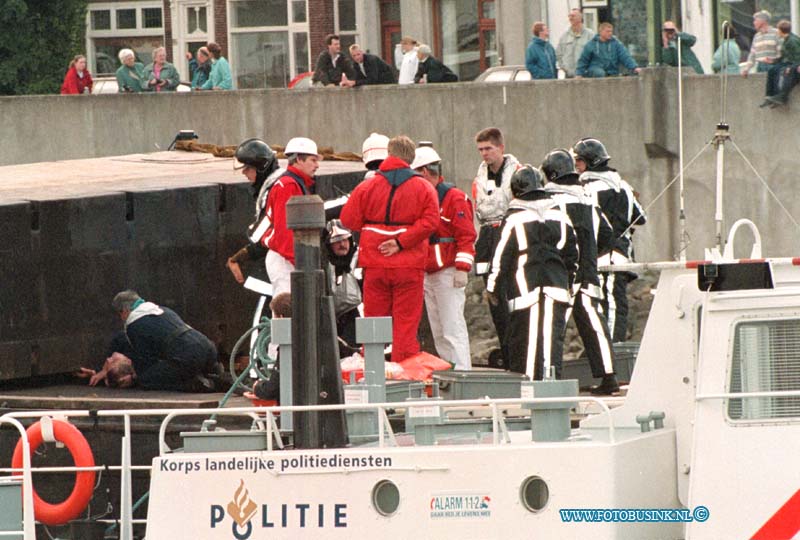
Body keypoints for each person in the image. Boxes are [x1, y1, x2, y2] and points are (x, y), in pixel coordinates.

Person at [340, 135, 439, 362]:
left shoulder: (367, 186)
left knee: (373, 322)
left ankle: (372, 371)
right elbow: (431, 221)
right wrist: (402, 241)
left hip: (375, 264)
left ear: (389, 154)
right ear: (412, 158)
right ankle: (402, 372)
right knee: (405, 323)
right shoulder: (423, 187)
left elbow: (348, 219)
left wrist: (374, 229)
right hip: (409, 265)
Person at [486, 166, 578, 380]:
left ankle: (527, 391)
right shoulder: (561, 216)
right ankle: (552, 388)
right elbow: (573, 256)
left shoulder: (514, 218)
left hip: (524, 290)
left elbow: (500, 258)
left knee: (524, 343)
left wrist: (492, 288)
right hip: (557, 289)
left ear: (516, 191)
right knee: (551, 341)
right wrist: (569, 282)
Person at [542, 149, 619, 395]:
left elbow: (551, 238)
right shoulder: (588, 198)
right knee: (595, 326)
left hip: (562, 275)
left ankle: (551, 380)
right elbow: (607, 235)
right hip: (588, 273)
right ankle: (609, 377)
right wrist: (589, 258)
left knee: (554, 327)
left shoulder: (551, 200)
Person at [573, 137, 646, 343]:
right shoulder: (623, 185)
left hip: (601, 256)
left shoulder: (586, 187)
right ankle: (611, 350)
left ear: (590, 161)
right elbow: (641, 218)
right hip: (621, 255)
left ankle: (611, 352)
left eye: (579, 160)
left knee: (608, 306)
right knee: (614, 305)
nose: (576, 165)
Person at [411, 146, 476, 370]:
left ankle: (462, 374)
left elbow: (466, 235)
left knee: (452, 328)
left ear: (426, 172)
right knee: (439, 331)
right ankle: (451, 372)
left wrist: (462, 268)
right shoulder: (424, 198)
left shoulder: (454, 198)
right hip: (428, 272)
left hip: (448, 272)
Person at [84, 291, 222, 392]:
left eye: (120, 314)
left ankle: (193, 384)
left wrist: (131, 374)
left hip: (188, 357)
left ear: (125, 310)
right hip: (208, 348)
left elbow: (146, 360)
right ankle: (214, 373)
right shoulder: (162, 310)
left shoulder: (134, 324)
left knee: (146, 378)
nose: (121, 318)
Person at [472, 127, 521, 367]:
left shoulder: (518, 174)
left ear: (501, 147)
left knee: (513, 299)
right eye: (481, 149)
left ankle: (518, 353)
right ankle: (507, 353)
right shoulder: (479, 178)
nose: (484, 154)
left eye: (488, 148)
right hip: (487, 239)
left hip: (510, 234)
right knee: (496, 303)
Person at [257, 137, 320, 296]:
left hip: (285, 257)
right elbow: (284, 230)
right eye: (313, 160)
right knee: (287, 310)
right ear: (299, 159)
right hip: (284, 258)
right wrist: (300, 262)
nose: (317, 165)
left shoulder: (292, 183)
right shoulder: (289, 186)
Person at [226, 138, 283, 284]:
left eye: (248, 168)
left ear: (261, 167)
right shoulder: (269, 187)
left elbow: (260, 233)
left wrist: (244, 253)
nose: (244, 172)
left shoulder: (277, 187)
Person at [323, 219, 362, 348]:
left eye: (345, 240)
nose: (342, 244)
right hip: (333, 317)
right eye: (336, 241)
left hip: (359, 314)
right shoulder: (324, 264)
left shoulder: (361, 258)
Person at [576, 22, 641, 78]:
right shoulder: (591, 44)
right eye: (607, 31)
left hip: (612, 72)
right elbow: (583, 60)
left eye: (611, 31)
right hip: (596, 71)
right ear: (601, 32)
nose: (610, 33)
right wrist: (579, 74)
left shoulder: (616, 43)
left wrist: (634, 67)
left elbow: (625, 56)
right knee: (599, 73)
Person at [761, 20, 800, 107]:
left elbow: (798, 56)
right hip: (787, 62)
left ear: (780, 30)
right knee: (772, 70)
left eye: (778, 30)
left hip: (792, 63)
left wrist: (792, 66)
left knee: (782, 72)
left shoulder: (792, 41)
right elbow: (783, 56)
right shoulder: (786, 40)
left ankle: (780, 96)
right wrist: (773, 61)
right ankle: (770, 96)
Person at [556, 9, 595, 78]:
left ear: (580, 18)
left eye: (573, 16)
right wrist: (564, 68)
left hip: (585, 75)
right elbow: (559, 54)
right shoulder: (564, 36)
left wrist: (588, 69)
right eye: (569, 16)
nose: (570, 18)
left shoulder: (590, 35)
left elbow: (595, 54)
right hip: (568, 76)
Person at [743, 11, 780, 76]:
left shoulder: (776, 33)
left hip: (773, 67)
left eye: (755, 20)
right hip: (760, 67)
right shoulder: (756, 36)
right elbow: (752, 54)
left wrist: (774, 60)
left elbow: (781, 51)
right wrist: (746, 69)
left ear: (762, 21)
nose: (754, 23)